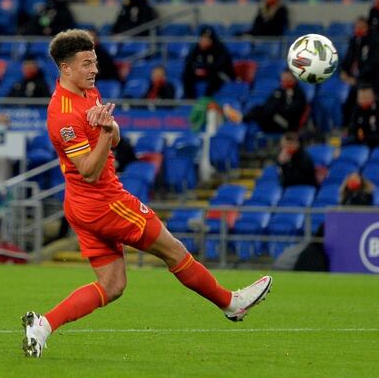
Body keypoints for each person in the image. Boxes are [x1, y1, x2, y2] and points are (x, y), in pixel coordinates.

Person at [21, 29, 271, 358]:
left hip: (82, 205)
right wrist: (104, 134)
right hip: (104, 202)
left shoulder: (89, 93)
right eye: (86, 64)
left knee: (112, 286)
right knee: (175, 251)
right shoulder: (64, 115)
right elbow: (89, 170)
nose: (94, 69)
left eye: (94, 61)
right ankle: (230, 303)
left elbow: (116, 137)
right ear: (65, 69)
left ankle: (43, 325)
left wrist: (109, 129)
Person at [224, 69, 307, 133]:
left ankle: (240, 118)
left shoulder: (298, 93)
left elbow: (292, 111)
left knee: (261, 111)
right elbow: (269, 103)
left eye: (285, 80)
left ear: (292, 80)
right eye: (282, 80)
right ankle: (240, 118)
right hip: (273, 118)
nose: (282, 82)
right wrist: (274, 108)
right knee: (259, 108)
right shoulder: (279, 91)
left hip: (287, 123)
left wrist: (276, 108)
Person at [181, 26, 235, 98]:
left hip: (220, 74)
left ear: (212, 40)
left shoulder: (220, 49)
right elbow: (189, 62)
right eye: (202, 38)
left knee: (215, 77)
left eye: (207, 39)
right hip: (203, 72)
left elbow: (219, 65)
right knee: (186, 75)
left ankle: (207, 99)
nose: (204, 41)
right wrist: (196, 69)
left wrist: (204, 68)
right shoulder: (197, 48)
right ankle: (191, 100)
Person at [344, 84, 379, 148]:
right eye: (361, 97)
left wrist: (365, 137)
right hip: (359, 141)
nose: (363, 100)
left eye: (366, 97)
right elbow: (352, 128)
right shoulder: (357, 108)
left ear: (374, 96)